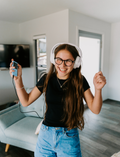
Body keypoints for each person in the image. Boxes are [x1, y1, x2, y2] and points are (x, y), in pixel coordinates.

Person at [9, 43, 106, 157]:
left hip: (68, 137)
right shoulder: (46, 79)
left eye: (68, 61)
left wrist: (98, 89)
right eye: (59, 60)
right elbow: (25, 101)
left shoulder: (80, 80)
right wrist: (18, 79)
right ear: (53, 60)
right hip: (45, 136)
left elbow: (95, 110)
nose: (62, 65)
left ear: (75, 62)